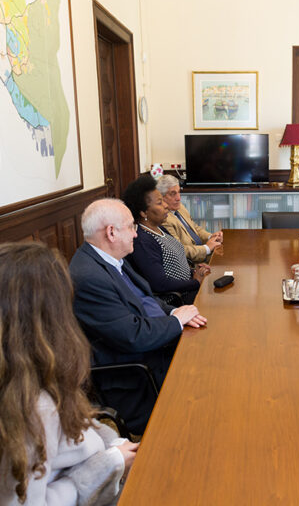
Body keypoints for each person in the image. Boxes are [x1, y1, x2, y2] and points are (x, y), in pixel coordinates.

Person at [0, 242, 139, 505]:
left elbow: (76, 423)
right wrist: (109, 462)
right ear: (45, 322)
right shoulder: (27, 409)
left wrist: (114, 444)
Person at [69, 198, 207, 433]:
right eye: (131, 226)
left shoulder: (112, 259)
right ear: (111, 232)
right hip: (138, 374)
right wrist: (175, 321)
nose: (136, 234)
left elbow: (146, 298)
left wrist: (174, 311)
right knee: (209, 391)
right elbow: (133, 336)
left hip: (157, 347)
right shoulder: (89, 276)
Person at [122, 175, 211, 304]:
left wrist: (194, 272)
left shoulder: (159, 229)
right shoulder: (143, 241)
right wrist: (195, 282)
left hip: (189, 288)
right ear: (143, 212)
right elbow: (160, 284)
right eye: (159, 202)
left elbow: (174, 265)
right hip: (176, 300)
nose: (166, 206)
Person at [157, 174, 223, 263]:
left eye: (179, 192)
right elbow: (179, 250)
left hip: (203, 252)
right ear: (162, 197)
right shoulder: (164, 220)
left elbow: (195, 228)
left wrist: (211, 237)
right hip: (195, 262)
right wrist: (207, 248)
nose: (178, 198)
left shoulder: (180, 207)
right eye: (173, 194)